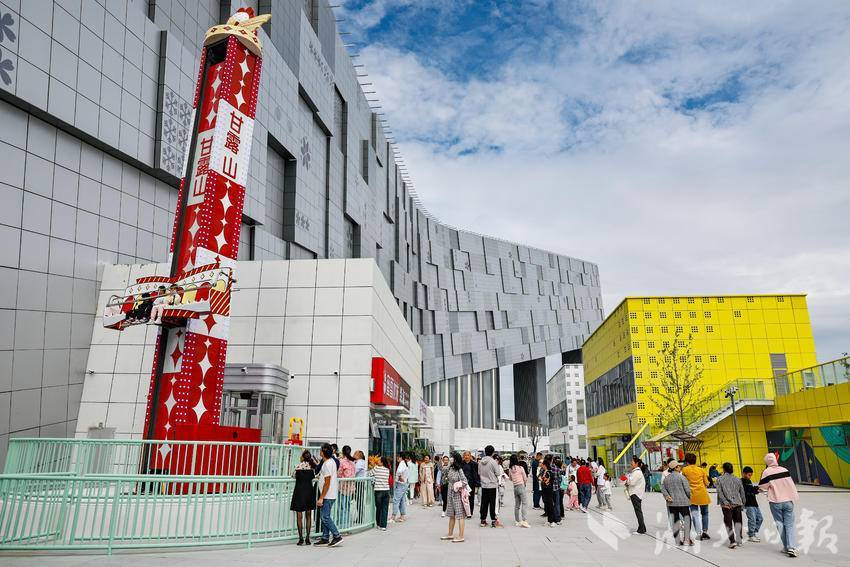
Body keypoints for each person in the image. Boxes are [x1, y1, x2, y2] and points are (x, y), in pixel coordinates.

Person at [759, 452, 799, 557]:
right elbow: (790, 484)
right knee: (789, 525)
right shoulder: (784, 470)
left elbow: (763, 486)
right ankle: (792, 547)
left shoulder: (767, 472)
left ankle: (786, 547)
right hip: (788, 501)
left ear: (767, 462)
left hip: (775, 502)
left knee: (780, 524)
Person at [316, 444, 343, 547]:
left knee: (325, 517)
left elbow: (327, 482)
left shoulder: (327, 464)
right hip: (330, 493)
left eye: (321, 450)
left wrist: (321, 497)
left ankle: (337, 536)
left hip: (327, 495)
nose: (320, 451)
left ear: (323, 452)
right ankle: (325, 537)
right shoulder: (331, 461)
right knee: (325, 516)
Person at [662, 460, 693, 546]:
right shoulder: (682, 477)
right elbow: (687, 490)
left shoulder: (666, 478)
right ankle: (687, 539)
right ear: (675, 468)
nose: (680, 467)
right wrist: (689, 498)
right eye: (679, 466)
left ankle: (677, 540)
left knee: (675, 520)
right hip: (683, 502)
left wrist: (667, 496)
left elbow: (663, 489)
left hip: (671, 503)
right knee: (687, 519)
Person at [716, 462, 746, 549]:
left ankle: (732, 541)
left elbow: (720, 492)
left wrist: (725, 502)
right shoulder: (738, 479)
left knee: (728, 523)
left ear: (724, 469)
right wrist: (743, 503)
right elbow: (742, 493)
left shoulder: (719, 479)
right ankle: (739, 539)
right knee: (738, 522)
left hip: (726, 506)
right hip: (737, 503)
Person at [682, 452, 711, 541]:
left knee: (695, 514)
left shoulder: (684, 470)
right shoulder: (701, 470)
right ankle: (705, 531)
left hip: (692, 495)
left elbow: (683, 482)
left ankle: (698, 533)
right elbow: (707, 483)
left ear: (687, 461)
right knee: (705, 513)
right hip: (703, 495)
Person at [290, 449, 317, 546]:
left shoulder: (298, 467)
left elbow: (292, 476)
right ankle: (308, 538)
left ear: (302, 457)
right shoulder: (312, 468)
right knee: (308, 516)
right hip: (309, 492)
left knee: (299, 516)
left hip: (299, 492)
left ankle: (301, 538)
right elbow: (315, 476)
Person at [441, 452, 469, 543]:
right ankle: (450, 534)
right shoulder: (450, 467)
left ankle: (461, 536)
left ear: (455, 459)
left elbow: (465, 481)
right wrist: (447, 464)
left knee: (460, 515)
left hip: (457, 495)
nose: (450, 459)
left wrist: (457, 486)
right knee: (451, 515)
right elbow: (443, 470)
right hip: (450, 494)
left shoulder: (459, 469)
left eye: (451, 457)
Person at [478, 445, 504, 527]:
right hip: (492, 485)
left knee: (484, 503)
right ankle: (493, 520)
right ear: (492, 453)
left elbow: (479, 472)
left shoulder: (480, 462)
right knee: (493, 503)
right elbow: (498, 473)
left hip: (484, 485)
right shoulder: (493, 462)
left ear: (485, 452)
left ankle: (483, 520)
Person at [369, 456, 391, 531]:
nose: (377, 461)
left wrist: (372, 468)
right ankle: (383, 526)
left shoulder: (376, 468)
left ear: (382, 462)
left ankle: (378, 524)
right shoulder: (387, 469)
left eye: (378, 460)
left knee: (379, 508)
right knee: (385, 509)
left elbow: (369, 474)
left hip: (379, 491)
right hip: (386, 490)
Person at [337, 446, 356, 531]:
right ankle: (347, 525)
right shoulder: (353, 462)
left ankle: (342, 526)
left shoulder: (342, 462)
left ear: (342, 452)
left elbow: (339, 474)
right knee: (347, 507)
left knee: (342, 507)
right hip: (350, 488)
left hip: (343, 487)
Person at [741, 466, 763, 542]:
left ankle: (753, 532)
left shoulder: (749, 481)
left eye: (751, 475)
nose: (750, 477)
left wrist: (757, 490)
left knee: (760, 518)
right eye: (749, 475)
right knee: (752, 519)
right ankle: (751, 535)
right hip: (748, 504)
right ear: (744, 473)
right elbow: (746, 491)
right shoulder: (741, 481)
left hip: (754, 503)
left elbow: (752, 491)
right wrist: (755, 488)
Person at [626, 455, 647, 534]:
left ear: (636, 463)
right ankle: (642, 527)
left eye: (632, 462)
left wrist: (626, 480)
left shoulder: (637, 472)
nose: (631, 463)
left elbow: (631, 482)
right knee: (638, 511)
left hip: (636, 494)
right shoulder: (636, 472)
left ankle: (641, 529)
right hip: (636, 494)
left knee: (638, 512)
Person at [509, 454, 529, 528]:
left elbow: (510, 478)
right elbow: (525, 478)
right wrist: (524, 483)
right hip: (521, 486)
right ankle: (524, 520)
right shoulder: (520, 468)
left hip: (515, 487)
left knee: (517, 505)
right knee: (524, 503)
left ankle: (517, 521)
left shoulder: (510, 469)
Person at [461, 451, 480, 519]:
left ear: (470, 456)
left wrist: (477, 484)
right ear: (463, 456)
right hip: (463, 484)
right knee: (463, 498)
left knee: (471, 498)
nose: (466, 456)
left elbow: (477, 474)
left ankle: (470, 513)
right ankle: (464, 512)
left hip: (471, 483)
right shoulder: (461, 463)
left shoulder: (475, 464)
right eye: (465, 455)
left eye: (468, 455)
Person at [539, 460, 558, 527]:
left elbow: (549, 481)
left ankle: (553, 521)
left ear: (545, 465)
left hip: (549, 490)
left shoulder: (549, 472)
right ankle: (549, 520)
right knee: (547, 505)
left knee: (550, 505)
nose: (541, 465)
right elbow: (540, 477)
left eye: (542, 464)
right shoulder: (544, 471)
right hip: (544, 490)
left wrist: (543, 479)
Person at [391, 453, 409, 523]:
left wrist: (399, 477)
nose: (396, 458)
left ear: (400, 457)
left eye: (397, 457)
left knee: (396, 500)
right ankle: (402, 516)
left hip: (400, 484)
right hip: (403, 484)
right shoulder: (404, 463)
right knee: (401, 500)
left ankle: (393, 517)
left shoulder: (401, 463)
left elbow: (399, 471)